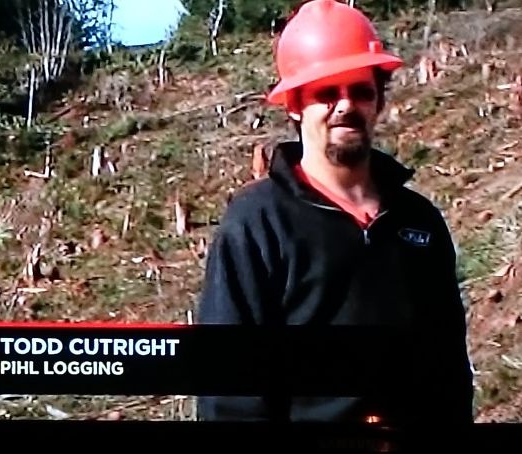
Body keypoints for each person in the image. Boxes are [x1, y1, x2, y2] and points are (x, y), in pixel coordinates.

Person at [196, 0, 474, 425]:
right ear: (294, 105)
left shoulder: (419, 222)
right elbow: (230, 390)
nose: (345, 105)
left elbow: (449, 371)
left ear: (378, 100)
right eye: (327, 93)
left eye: (360, 90)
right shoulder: (257, 224)